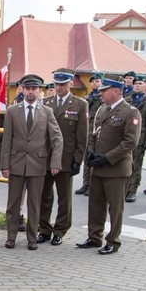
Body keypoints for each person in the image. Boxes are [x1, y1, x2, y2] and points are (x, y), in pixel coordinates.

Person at [76, 77, 140, 254]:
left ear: (116, 91)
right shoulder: (102, 110)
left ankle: (113, 240)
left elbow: (130, 142)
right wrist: (90, 151)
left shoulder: (130, 112)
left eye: (104, 90)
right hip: (99, 167)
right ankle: (94, 237)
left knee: (115, 208)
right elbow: (94, 134)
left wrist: (107, 158)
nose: (100, 93)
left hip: (117, 168)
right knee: (95, 204)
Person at [0, 74, 63, 249]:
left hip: (38, 164)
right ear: (22, 89)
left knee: (34, 204)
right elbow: (6, 140)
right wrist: (4, 165)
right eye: (28, 88)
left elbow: (57, 138)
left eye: (34, 89)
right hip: (16, 163)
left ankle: (31, 238)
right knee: (13, 203)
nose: (31, 92)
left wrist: (55, 162)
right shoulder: (13, 111)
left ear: (39, 91)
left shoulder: (47, 112)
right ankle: (11, 236)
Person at [38, 71, 88, 245]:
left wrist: (77, 159)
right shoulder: (45, 103)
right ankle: (43, 229)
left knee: (64, 197)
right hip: (45, 157)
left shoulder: (80, 105)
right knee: (44, 195)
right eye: (56, 84)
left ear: (70, 85)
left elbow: (82, 135)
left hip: (66, 158)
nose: (59, 88)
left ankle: (60, 230)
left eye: (63, 84)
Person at [125, 75, 146, 202]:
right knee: (125, 163)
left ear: (145, 86)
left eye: (140, 84)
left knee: (136, 165)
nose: (137, 85)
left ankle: (132, 190)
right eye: (136, 83)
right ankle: (124, 187)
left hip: (140, 137)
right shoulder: (127, 100)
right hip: (126, 136)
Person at [75, 72, 104, 196]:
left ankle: (92, 185)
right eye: (92, 81)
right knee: (86, 159)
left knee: (94, 157)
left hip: (97, 132)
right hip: (86, 131)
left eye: (97, 81)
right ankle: (85, 183)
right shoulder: (87, 98)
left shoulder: (103, 98)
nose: (94, 83)